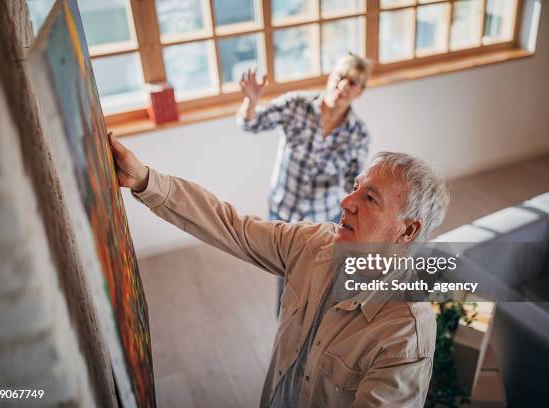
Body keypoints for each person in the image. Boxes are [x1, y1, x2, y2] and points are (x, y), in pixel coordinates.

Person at [109, 132, 450, 407]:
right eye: (355, 188)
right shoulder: (314, 243)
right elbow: (231, 226)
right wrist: (144, 180)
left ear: (407, 231)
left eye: (370, 199)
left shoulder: (406, 333)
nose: (347, 202)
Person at [237, 54, 372, 313]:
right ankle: (284, 328)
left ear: (360, 91)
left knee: (321, 275)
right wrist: (251, 101)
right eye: (340, 76)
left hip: (324, 218)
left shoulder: (359, 134)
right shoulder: (296, 104)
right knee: (285, 273)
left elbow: (352, 184)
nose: (343, 85)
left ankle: (314, 326)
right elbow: (251, 123)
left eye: (353, 82)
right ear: (330, 76)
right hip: (283, 211)